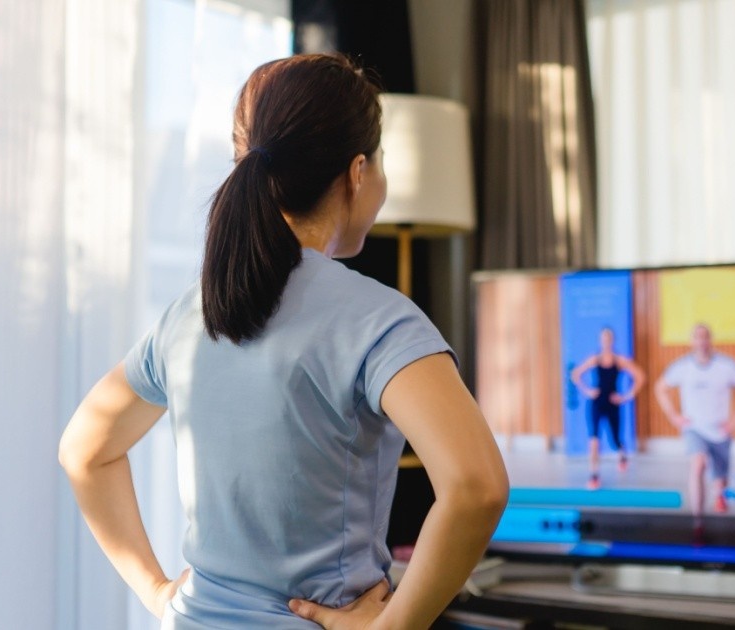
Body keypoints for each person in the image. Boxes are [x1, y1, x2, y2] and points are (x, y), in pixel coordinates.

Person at [58, 54, 508, 629]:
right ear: (358, 171)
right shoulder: (379, 321)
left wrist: (157, 592)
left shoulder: (191, 312)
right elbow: (477, 487)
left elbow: (85, 451)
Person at [655, 324, 735, 516]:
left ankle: (720, 495)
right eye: (697, 337)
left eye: (705, 337)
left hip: (720, 429)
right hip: (694, 428)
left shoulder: (727, 366)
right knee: (698, 463)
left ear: (710, 340)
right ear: (692, 341)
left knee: (720, 476)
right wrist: (673, 415)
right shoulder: (682, 367)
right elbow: (660, 388)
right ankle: (697, 518)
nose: (701, 341)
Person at [569, 327, 645, 490]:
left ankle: (622, 455)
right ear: (600, 341)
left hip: (613, 403)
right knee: (594, 438)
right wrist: (587, 390)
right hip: (596, 402)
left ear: (613, 341)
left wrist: (626, 396)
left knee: (615, 440)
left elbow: (640, 377)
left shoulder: (620, 361)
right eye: (603, 339)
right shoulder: (595, 360)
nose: (606, 342)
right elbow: (575, 374)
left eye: (608, 339)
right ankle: (594, 474)